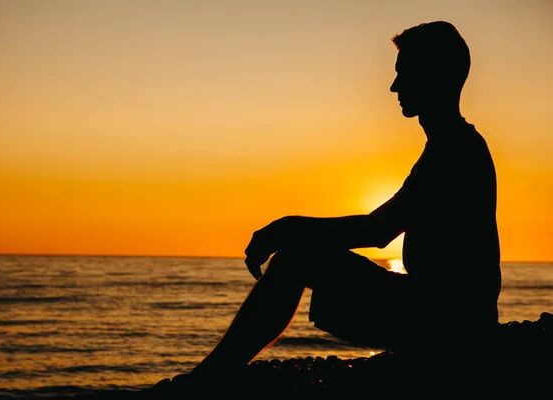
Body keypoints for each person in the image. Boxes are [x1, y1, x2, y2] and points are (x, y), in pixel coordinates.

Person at [190, 20, 502, 377]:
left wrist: (285, 228)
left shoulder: (455, 151)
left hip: (448, 329)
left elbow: (378, 230)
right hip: (446, 320)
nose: (394, 86)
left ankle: (210, 376)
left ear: (434, 76)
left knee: (296, 258)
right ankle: (214, 372)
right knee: (298, 255)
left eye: (405, 73)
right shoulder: (451, 147)